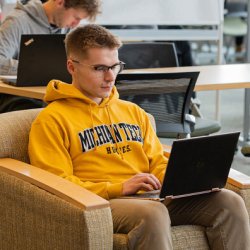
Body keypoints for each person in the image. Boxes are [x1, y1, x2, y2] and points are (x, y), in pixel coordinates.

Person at [28, 24, 250, 249]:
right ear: (71, 67)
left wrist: (178, 179)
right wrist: (120, 187)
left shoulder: (133, 112)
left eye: (115, 66)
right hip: (103, 202)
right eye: (99, 68)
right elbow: (56, 186)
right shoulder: (51, 120)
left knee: (228, 201)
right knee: (153, 214)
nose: (110, 77)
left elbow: (157, 161)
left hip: (153, 196)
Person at [0, 0, 100, 113]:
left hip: (51, 94)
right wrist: (38, 68)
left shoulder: (64, 26)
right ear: (60, 2)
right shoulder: (17, 21)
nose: (75, 24)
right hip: (18, 98)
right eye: (76, 18)